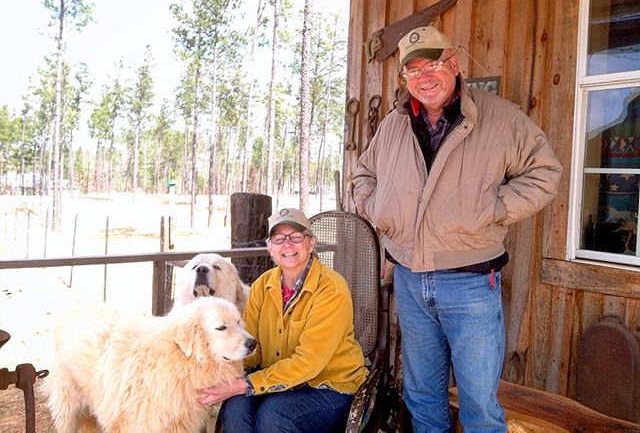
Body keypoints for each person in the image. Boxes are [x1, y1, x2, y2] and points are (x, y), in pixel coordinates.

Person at [352, 25, 562, 433]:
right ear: (404, 79)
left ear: (454, 63)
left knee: (478, 406)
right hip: (411, 279)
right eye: (412, 71)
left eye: (431, 64)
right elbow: (363, 173)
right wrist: (375, 207)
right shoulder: (394, 125)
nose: (424, 78)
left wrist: (493, 208)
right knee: (423, 398)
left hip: (470, 283)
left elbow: (545, 173)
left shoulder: (499, 118)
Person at [197, 207, 368, 433]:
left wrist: (244, 385)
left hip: (329, 386)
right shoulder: (262, 285)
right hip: (277, 383)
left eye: (296, 237)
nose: (287, 245)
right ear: (270, 247)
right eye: (279, 239)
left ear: (311, 243)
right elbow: (250, 350)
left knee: (274, 416)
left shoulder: (331, 290)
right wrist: (215, 371)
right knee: (234, 409)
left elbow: (308, 363)